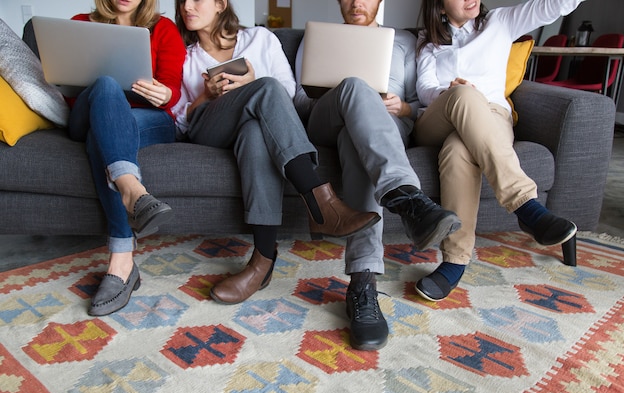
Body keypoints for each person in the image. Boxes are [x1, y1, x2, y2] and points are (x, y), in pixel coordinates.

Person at [171, 0, 381, 306]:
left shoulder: (261, 38)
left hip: (253, 127)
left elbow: (287, 94)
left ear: (220, 4)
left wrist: (251, 85)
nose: (187, 6)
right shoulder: (185, 56)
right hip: (209, 128)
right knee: (265, 88)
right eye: (182, 1)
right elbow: (178, 121)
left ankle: (262, 261)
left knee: (257, 127)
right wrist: (207, 95)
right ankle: (320, 202)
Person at [293, 0, 462, 351]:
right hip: (326, 117)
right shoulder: (317, 38)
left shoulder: (403, 41)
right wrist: (337, 95)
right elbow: (296, 101)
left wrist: (402, 107)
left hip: (384, 129)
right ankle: (407, 197)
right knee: (356, 87)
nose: (357, 2)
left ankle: (363, 282)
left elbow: (419, 104)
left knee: (357, 145)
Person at [412, 0, 582, 302]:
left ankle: (454, 261)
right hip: (439, 116)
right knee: (463, 94)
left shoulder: (501, 21)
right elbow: (424, 86)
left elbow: (556, 6)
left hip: (491, 117)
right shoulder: (429, 40)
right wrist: (447, 90)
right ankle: (525, 207)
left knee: (457, 150)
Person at [67, 0, 186, 316]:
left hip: (146, 118)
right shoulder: (79, 23)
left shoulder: (163, 28)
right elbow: (64, 87)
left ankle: (122, 259)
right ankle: (133, 192)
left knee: (102, 136)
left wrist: (165, 94)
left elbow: (171, 89)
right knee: (105, 85)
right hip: (87, 111)